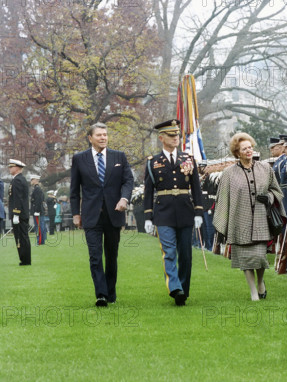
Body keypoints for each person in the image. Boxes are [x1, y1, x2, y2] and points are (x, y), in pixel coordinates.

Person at [213, 132, 285, 301]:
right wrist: (222, 225)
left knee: (259, 257)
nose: (248, 151)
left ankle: (260, 282)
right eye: (244, 149)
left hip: (261, 220)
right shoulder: (228, 174)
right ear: (237, 153)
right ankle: (253, 291)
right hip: (240, 222)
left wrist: (269, 197)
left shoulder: (265, 169)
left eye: (250, 147)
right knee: (245, 259)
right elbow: (222, 200)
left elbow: (277, 191)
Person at [70, 122, 134, 307]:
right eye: (99, 135)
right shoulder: (79, 158)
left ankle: (110, 293)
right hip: (91, 215)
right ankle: (101, 294)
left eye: (105, 134)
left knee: (111, 256)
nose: (103, 138)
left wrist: (124, 199)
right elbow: (74, 190)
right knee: (95, 256)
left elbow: (128, 180)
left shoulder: (119, 156)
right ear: (90, 138)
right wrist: (75, 213)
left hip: (114, 213)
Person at [143, 119, 204, 306]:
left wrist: (199, 212)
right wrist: (148, 216)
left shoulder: (188, 159)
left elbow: (196, 188)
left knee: (185, 254)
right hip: (164, 212)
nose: (176, 137)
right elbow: (148, 191)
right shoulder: (153, 162)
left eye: (177, 134)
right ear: (162, 138)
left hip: (185, 210)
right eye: (171, 135)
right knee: (169, 252)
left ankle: (183, 290)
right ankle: (175, 288)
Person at [8, 159, 31, 265]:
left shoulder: (17, 180)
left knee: (22, 237)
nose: (9, 169)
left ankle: (25, 260)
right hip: (20, 213)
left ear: (17, 168)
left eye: (11, 167)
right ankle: (24, 258)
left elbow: (18, 198)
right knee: (21, 237)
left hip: (19, 214)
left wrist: (16, 214)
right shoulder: (18, 179)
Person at [30, 175, 46, 245]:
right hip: (38, 210)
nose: (31, 181)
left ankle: (40, 241)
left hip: (37, 211)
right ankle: (41, 241)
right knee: (40, 225)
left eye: (32, 179)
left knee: (39, 226)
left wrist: (37, 211)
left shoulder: (37, 189)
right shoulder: (37, 188)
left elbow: (38, 201)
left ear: (35, 180)